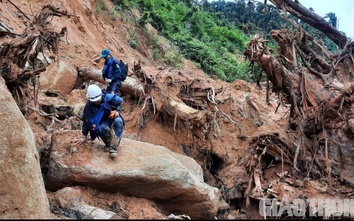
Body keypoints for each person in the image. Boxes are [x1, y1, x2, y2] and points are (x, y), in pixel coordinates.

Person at [77, 84, 125, 158]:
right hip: (102, 122)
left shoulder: (108, 97)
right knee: (101, 129)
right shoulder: (88, 108)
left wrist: (117, 112)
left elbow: (120, 101)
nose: (97, 102)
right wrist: (84, 135)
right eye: (95, 101)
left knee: (118, 122)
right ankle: (108, 144)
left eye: (98, 100)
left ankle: (114, 147)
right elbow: (86, 121)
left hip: (113, 117)